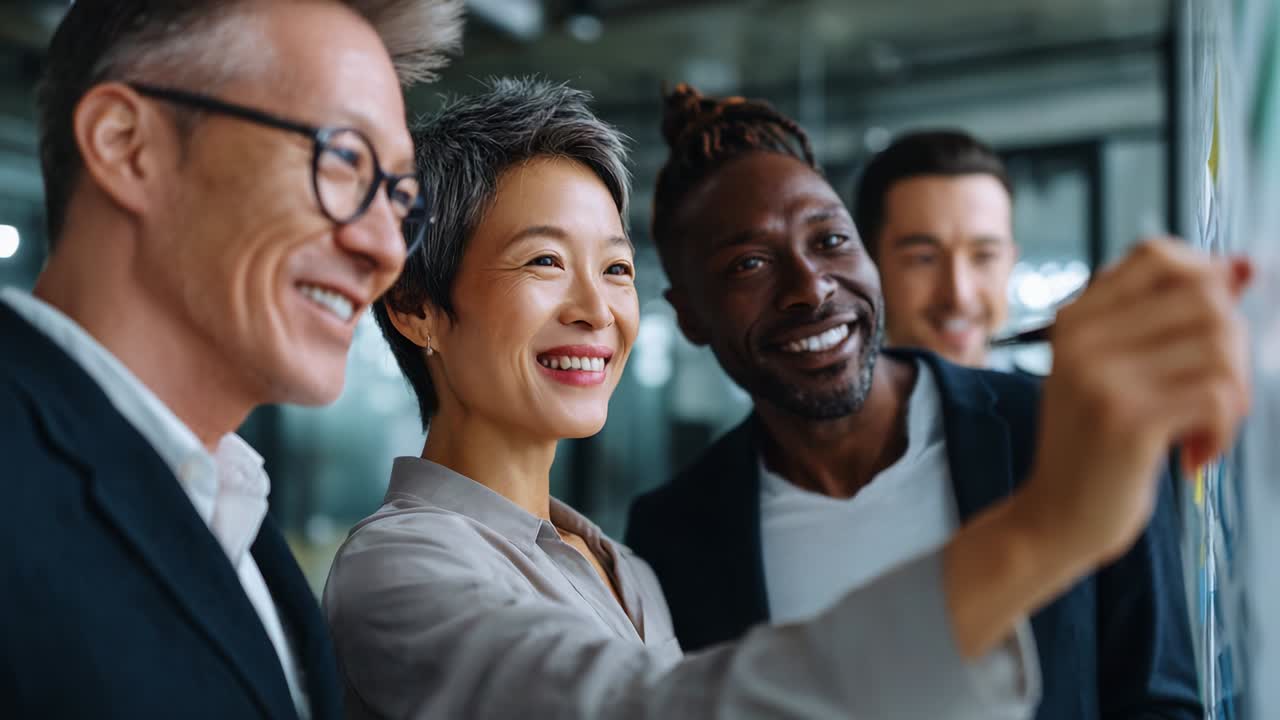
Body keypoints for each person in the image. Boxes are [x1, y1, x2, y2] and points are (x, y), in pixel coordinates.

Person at [323, 77, 1250, 720]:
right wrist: (1048, 529)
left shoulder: (627, 569)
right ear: (416, 309)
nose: (595, 310)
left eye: (612, 269)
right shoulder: (397, 573)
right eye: (544, 262)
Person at [626, 86, 1214, 719]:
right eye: (749, 264)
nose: (811, 288)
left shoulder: (1063, 431)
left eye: (829, 241)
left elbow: (1159, 703)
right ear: (689, 315)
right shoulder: (674, 534)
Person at [0, 1, 461, 718]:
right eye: (344, 159)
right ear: (127, 144)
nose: (386, 250)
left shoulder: (237, 518)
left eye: (400, 199)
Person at [852, 130, 1018, 368]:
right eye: (924, 259)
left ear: (1011, 262)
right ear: (869, 264)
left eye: (984, 256)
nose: (959, 296)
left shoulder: (1055, 403)